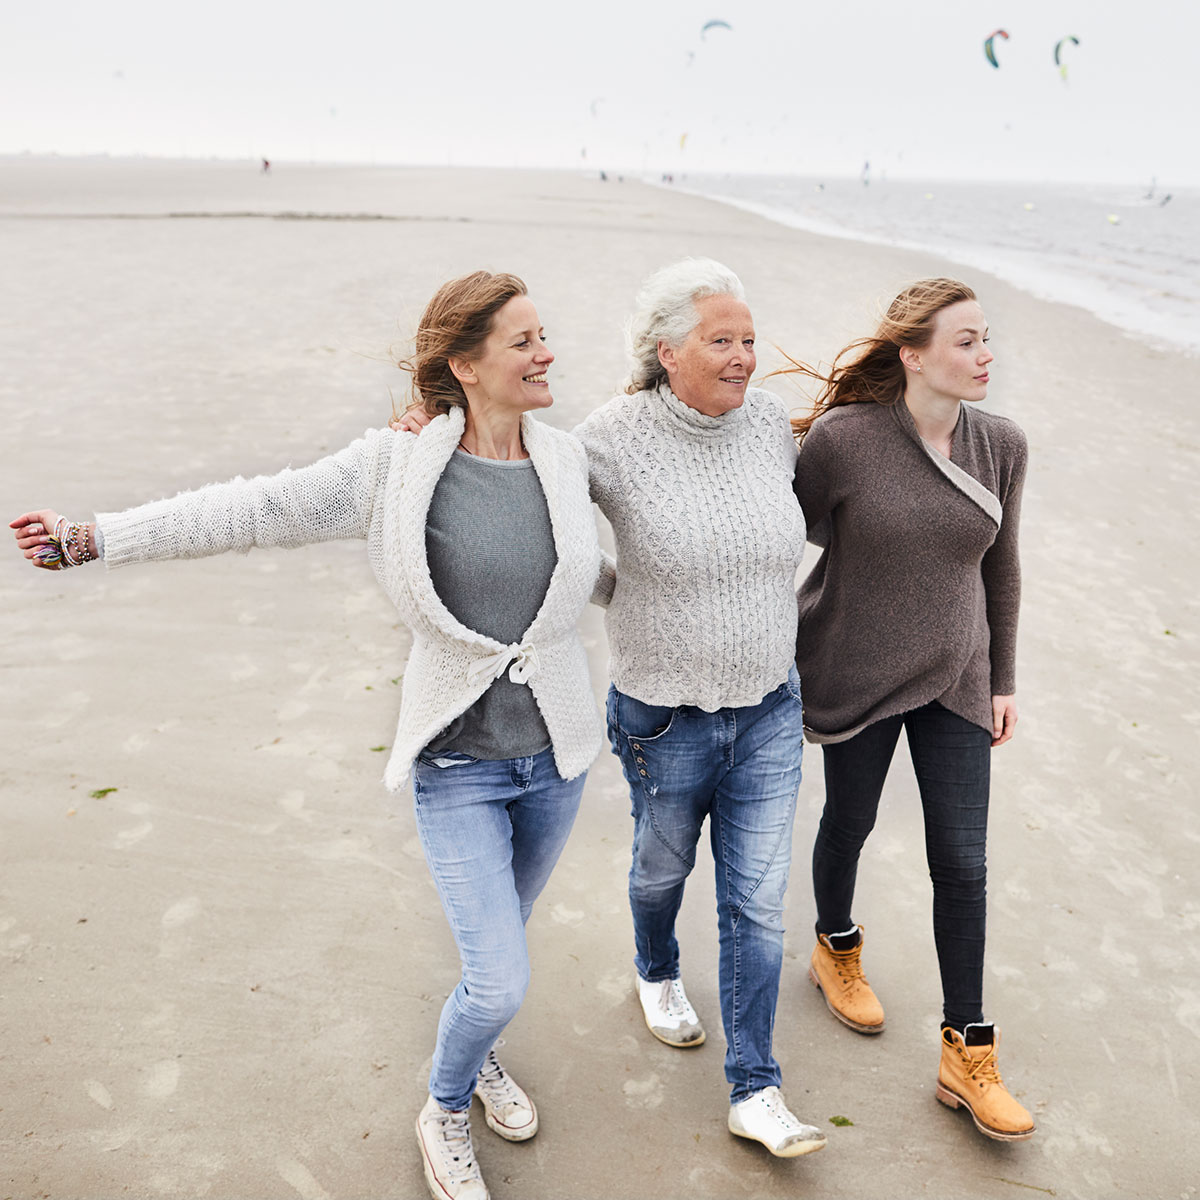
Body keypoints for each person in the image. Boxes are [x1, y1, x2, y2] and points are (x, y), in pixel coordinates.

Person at [11, 270, 609, 1200]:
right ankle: (445, 1105)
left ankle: (479, 1056)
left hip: (557, 757)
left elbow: (611, 566)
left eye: (544, 335)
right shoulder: (396, 467)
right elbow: (257, 508)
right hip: (458, 766)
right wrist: (97, 537)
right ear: (467, 364)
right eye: (525, 341)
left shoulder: (566, 458)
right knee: (498, 980)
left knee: (503, 955)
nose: (548, 353)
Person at [398, 259, 824, 1159]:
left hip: (771, 708)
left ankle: (758, 1088)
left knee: (755, 902)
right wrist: (431, 431)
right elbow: (519, 494)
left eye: (750, 340)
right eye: (723, 341)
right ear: (667, 353)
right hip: (662, 713)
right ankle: (655, 969)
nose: (745, 357)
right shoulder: (604, 441)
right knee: (660, 872)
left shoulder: (772, 436)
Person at [787, 278, 1035, 1142]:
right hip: (858, 664)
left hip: (959, 675)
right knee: (848, 820)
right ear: (913, 353)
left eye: (986, 338)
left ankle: (966, 1051)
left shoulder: (1000, 443)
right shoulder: (844, 441)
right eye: (965, 341)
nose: (984, 355)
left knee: (962, 864)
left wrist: (1003, 676)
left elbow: (1000, 567)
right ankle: (835, 946)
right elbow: (782, 531)